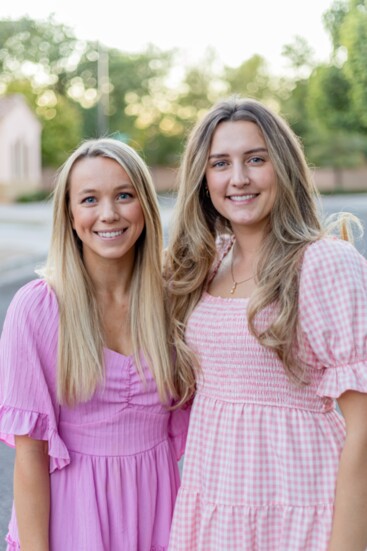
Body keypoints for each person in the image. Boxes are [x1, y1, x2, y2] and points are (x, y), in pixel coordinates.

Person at [165, 97, 367, 550]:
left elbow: (365, 427)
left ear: (284, 166)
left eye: (256, 159)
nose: (238, 178)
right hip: (213, 507)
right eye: (221, 163)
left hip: (298, 509)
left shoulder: (322, 263)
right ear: (204, 177)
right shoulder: (205, 262)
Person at [0, 137, 190, 551]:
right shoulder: (38, 310)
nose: (108, 214)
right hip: (72, 522)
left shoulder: (175, 300)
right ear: (69, 214)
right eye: (89, 199)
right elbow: (30, 460)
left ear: (145, 205)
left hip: (161, 518)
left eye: (124, 195)